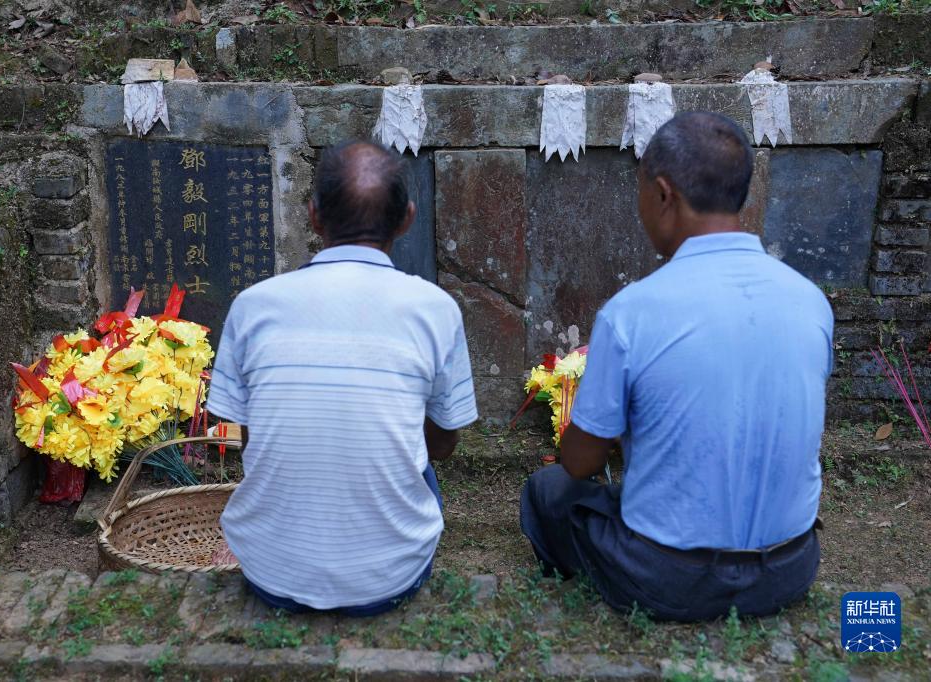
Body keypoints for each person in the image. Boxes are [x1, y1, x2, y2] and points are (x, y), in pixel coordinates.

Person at [520, 112, 833, 622]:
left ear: (663, 194)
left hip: (667, 577)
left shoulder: (633, 312)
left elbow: (579, 463)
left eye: (640, 192)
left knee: (549, 490)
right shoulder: (810, 301)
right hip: (791, 567)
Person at [207, 140, 478, 616]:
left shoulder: (253, 305)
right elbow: (442, 444)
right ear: (408, 219)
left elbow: (253, 442)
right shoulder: (436, 310)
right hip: (391, 577)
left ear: (313, 216)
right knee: (420, 467)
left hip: (271, 573)